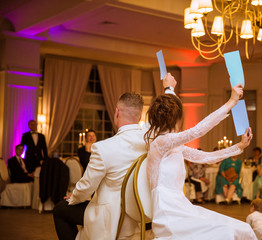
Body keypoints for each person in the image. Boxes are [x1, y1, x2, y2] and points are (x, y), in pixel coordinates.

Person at [52, 74, 176, 240]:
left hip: (111, 218)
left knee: (60, 209)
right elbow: (166, 118)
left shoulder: (103, 148)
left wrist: (74, 197)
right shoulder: (149, 139)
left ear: (117, 112)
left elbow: (87, 186)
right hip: (139, 213)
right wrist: (169, 89)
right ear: (139, 116)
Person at [145, 83, 257, 239]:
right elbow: (197, 131)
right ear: (176, 118)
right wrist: (231, 102)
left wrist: (239, 146)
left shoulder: (173, 145)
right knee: (226, 233)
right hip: (168, 212)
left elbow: (206, 157)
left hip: (181, 206)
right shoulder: (160, 143)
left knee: (242, 228)